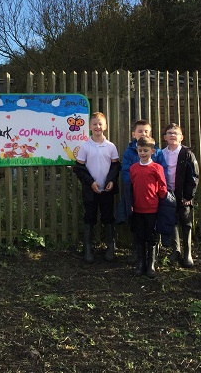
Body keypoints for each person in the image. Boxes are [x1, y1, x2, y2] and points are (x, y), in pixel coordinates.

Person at [72, 112, 121, 263]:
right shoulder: (85, 147)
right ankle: (88, 248)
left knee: (108, 217)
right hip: (90, 191)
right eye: (94, 124)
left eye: (100, 124)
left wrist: (112, 181)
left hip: (106, 190)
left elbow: (115, 166)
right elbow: (78, 168)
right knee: (90, 217)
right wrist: (90, 182)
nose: (97, 127)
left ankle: (110, 247)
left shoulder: (111, 147)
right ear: (89, 126)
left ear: (105, 126)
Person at [117, 119, 166, 262]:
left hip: (151, 196)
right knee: (135, 223)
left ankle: (152, 255)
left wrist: (160, 191)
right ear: (134, 134)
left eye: (146, 131)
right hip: (134, 192)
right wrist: (131, 186)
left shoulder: (156, 151)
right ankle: (137, 252)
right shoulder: (129, 152)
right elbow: (126, 170)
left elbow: (163, 171)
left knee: (152, 226)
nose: (143, 133)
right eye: (140, 131)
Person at [130, 136, 168, 278]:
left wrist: (161, 199)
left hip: (152, 209)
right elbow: (132, 186)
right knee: (140, 235)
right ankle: (141, 264)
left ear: (152, 151)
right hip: (137, 209)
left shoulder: (157, 168)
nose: (142, 153)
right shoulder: (134, 168)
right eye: (140, 150)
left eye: (145, 150)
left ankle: (151, 264)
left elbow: (163, 187)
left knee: (151, 236)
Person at [162, 123, 199, 267]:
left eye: (175, 133)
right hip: (167, 194)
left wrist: (188, 196)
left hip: (183, 195)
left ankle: (187, 253)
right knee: (172, 221)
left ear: (181, 137)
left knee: (186, 222)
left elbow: (194, 175)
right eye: (169, 133)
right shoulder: (161, 153)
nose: (172, 135)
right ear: (165, 137)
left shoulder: (186, 153)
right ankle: (175, 250)